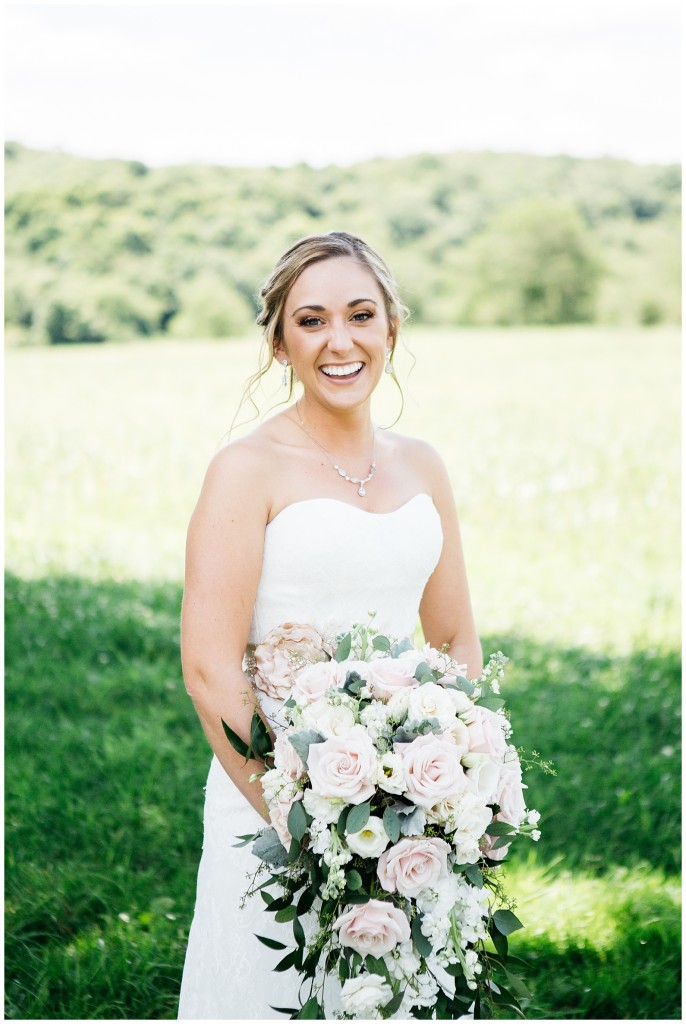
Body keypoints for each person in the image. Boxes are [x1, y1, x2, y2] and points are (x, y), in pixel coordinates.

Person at [177, 231, 481, 1019]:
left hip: (409, 807)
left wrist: (452, 778)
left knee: (402, 991)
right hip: (272, 796)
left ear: (391, 329)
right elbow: (211, 668)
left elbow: (452, 639)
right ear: (279, 342)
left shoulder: (423, 465)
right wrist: (301, 817)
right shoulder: (246, 469)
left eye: (360, 315)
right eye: (311, 321)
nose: (339, 341)